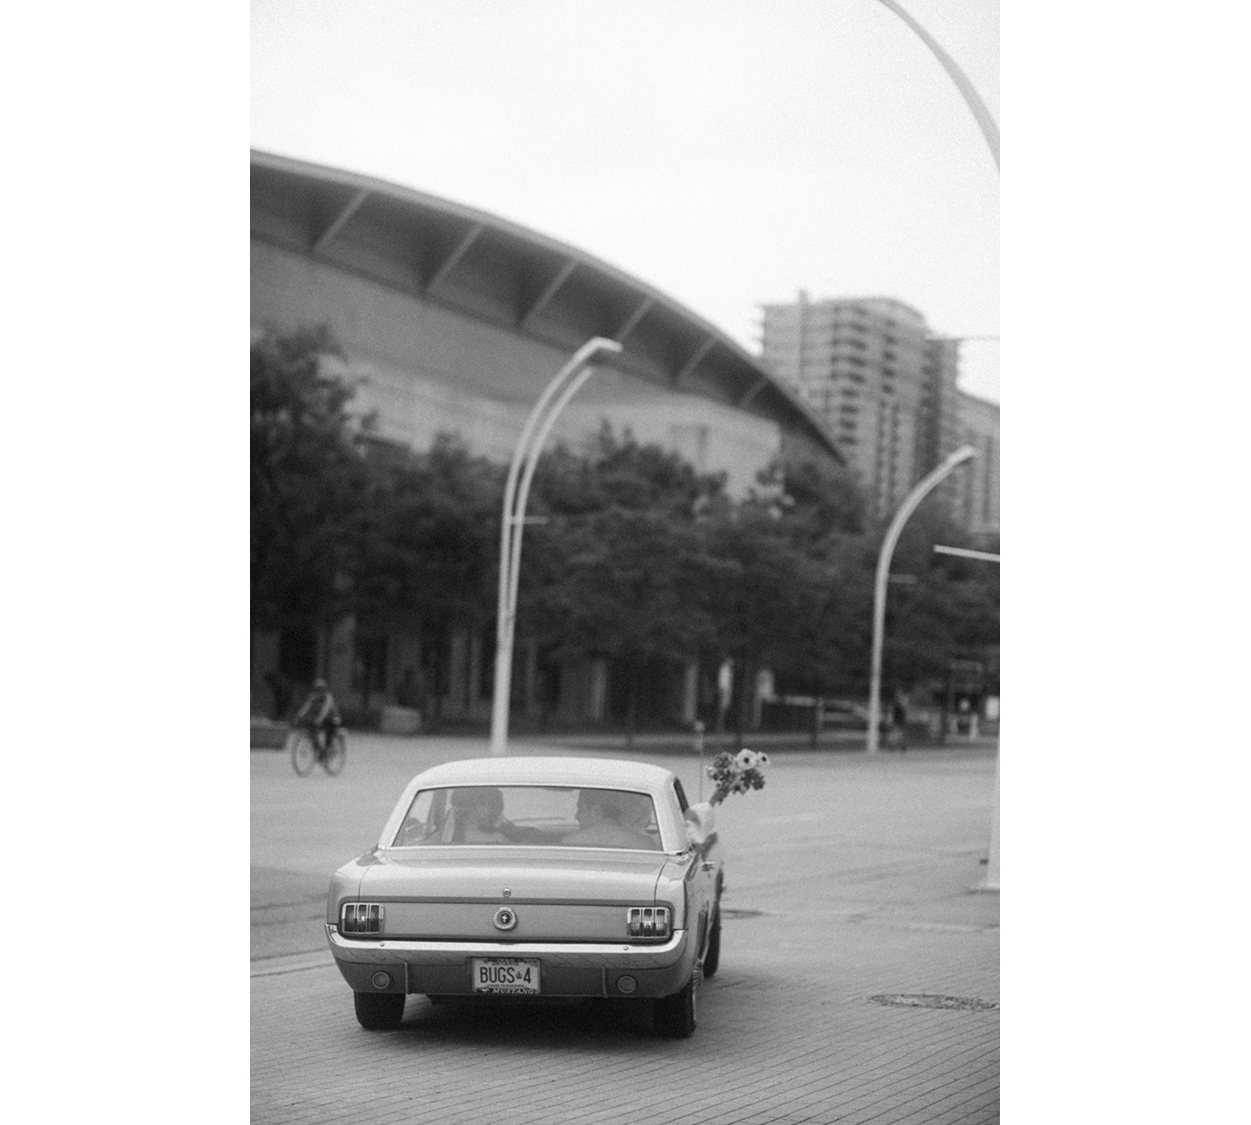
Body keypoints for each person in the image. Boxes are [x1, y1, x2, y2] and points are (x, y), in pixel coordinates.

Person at [563, 790, 655, 849]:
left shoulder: (571, 842)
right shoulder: (645, 844)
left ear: (597, 811)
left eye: (581, 810)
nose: (576, 816)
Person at [294, 678, 342, 761]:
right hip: (320, 719)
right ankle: (319, 750)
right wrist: (299, 716)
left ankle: (327, 751)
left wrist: (319, 719)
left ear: (324, 689)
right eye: (317, 689)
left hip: (331, 718)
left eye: (320, 689)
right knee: (312, 731)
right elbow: (306, 707)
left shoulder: (328, 697)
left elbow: (325, 709)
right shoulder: (313, 697)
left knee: (329, 733)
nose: (319, 692)